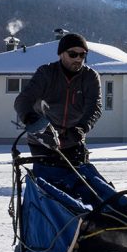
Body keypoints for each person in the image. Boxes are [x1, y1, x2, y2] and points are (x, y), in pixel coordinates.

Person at [14, 32, 102, 165]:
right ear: (61, 54)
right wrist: (31, 118)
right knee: (48, 181)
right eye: (73, 54)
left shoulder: (90, 77)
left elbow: (94, 107)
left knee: (79, 181)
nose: (78, 58)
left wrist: (82, 127)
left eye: (82, 54)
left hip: (73, 140)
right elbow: (23, 100)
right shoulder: (46, 73)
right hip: (43, 141)